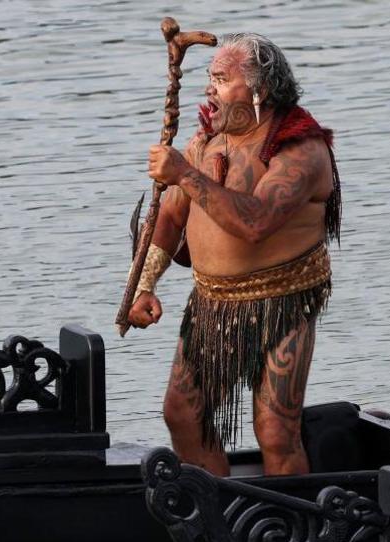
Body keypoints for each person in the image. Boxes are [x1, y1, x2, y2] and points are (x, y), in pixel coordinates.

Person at [126, 32, 341, 477]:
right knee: (183, 414)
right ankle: (214, 516)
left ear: (259, 90)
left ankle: (292, 532)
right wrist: (144, 285)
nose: (210, 88)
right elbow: (168, 219)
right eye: (209, 77)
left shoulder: (300, 150)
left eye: (221, 79)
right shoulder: (207, 143)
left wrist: (184, 173)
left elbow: (255, 223)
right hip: (211, 304)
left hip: (283, 301)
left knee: (276, 428)